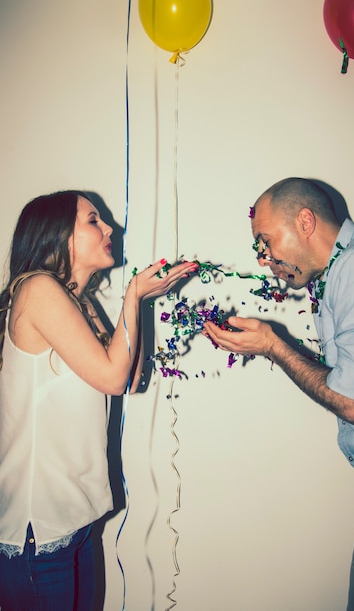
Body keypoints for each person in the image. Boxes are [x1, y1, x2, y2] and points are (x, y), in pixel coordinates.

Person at [203, 177, 354, 611]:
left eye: (265, 241)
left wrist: (274, 345)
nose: (264, 259)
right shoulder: (341, 272)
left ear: (305, 221)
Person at [0, 189, 198, 611]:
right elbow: (113, 377)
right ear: (58, 235)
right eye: (94, 220)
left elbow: (128, 376)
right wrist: (131, 296)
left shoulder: (78, 301)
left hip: (77, 522)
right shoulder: (37, 289)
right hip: (40, 533)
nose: (110, 228)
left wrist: (139, 302)